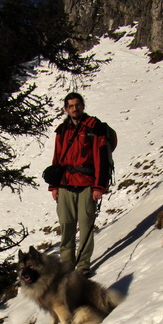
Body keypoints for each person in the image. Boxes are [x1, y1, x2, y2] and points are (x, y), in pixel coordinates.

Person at [48, 93, 110, 276]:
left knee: (85, 227)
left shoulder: (93, 128)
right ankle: (67, 265)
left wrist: (99, 186)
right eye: (71, 106)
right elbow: (57, 158)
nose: (75, 108)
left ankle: (83, 266)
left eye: (77, 105)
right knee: (66, 226)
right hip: (65, 184)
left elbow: (100, 159)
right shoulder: (62, 131)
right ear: (66, 109)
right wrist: (54, 186)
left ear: (82, 105)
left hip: (87, 185)